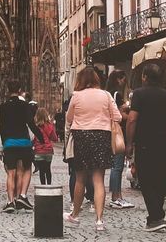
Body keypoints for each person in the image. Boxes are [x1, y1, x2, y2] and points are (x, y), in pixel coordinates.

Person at [125, 62, 166, 233]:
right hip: (164, 144)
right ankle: (155, 218)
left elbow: (132, 119)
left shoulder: (139, 94)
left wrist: (129, 143)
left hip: (144, 143)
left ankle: (156, 217)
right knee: (160, 180)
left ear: (144, 77)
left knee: (145, 180)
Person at [64, 65, 123, 233]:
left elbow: (69, 120)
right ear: (96, 79)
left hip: (81, 137)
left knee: (80, 178)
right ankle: (99, 220)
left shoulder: (76, 96)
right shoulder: (106, 95)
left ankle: (74, 215)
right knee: (98, 180)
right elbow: (117, 117)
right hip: (102, 136)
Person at [0, 78, 43, 213]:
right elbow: (31, 124)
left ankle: (10, 202)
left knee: (11, 173)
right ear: (20, 90)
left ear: (8, 91)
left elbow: (1, 127)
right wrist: (41, 137)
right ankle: (22, 196)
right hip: (24, 143)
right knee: (27, 169)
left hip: (9, 143)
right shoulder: (25, 106)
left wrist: (4, 143)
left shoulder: (3, 106)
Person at [106, 70, 133, 209]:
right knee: (117, 166)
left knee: (115, 166)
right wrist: (128, 110)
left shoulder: (108, 93)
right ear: (118, 79)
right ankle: (116, 197)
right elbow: (119, 116)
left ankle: (116, 196)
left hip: (110, 132)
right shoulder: (116, 95)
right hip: (118, 133)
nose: (124, 83)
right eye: (123, 80)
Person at [33, 108, 57, 185]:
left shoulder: (35, 126)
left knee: (42, 171)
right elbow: (54, 138)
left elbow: (32, 139)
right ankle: (49, 186)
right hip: (48, 150)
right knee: (48, 170)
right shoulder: (50, 126)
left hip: (39, 151)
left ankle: (43, 187)